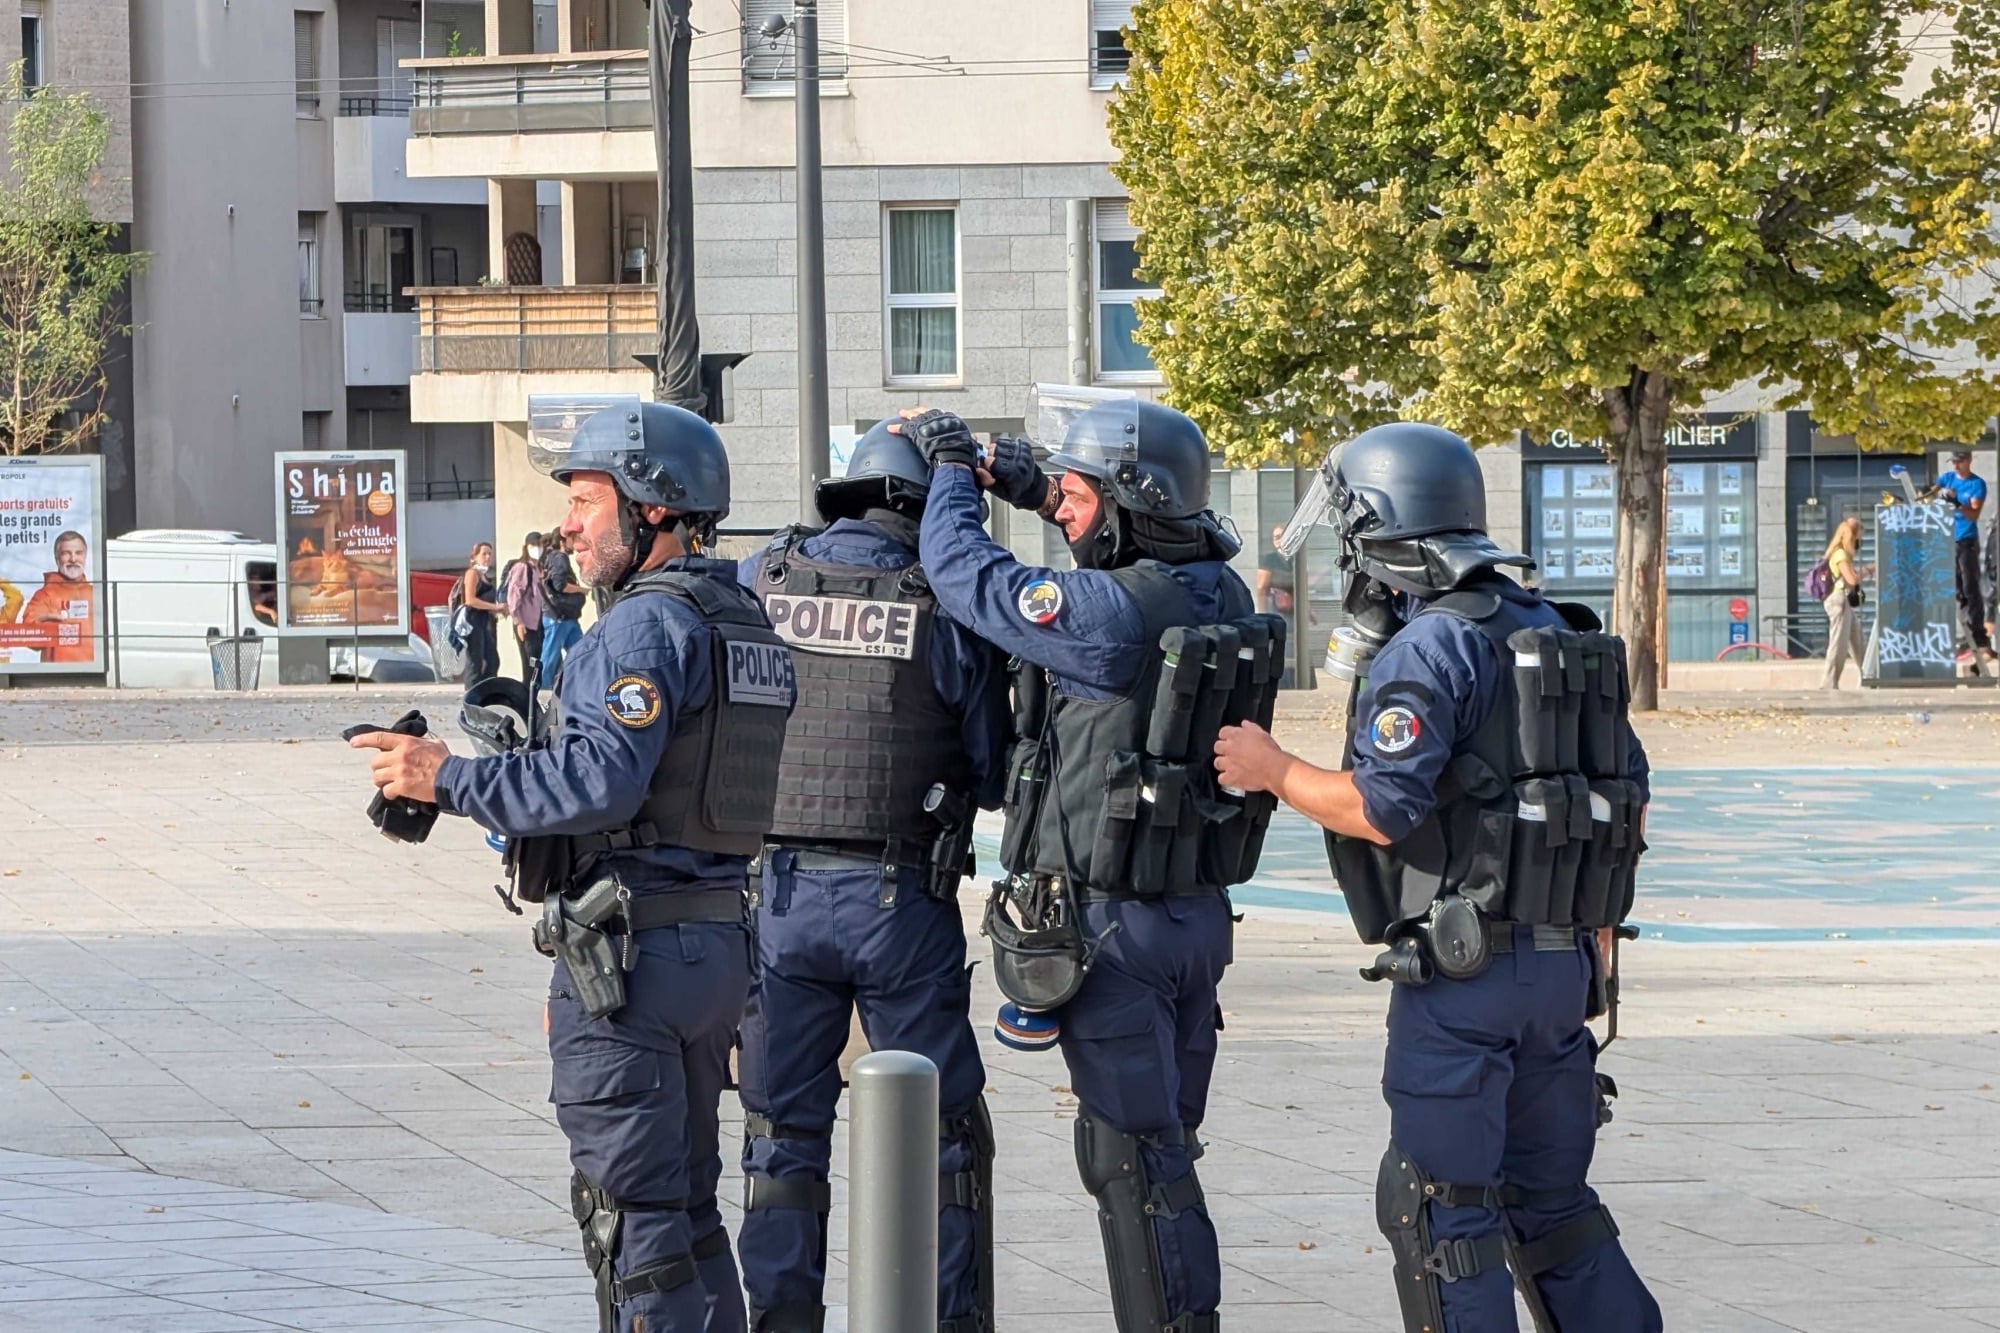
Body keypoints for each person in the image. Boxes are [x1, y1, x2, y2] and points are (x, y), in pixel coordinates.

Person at [349, 399, 795, 1333]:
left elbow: (601, 780)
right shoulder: (744, 620)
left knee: (634, 1234)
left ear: (655, 507)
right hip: (714, 942)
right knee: (688, 1218)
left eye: (589, 500)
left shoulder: (639, 630)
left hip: (630, 968)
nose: (569, 524)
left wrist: (447, 777)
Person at [1212, 423, 1662, 1333]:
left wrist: (1272, 767)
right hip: (1563, 968)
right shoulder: (1555, 627)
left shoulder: (1431, 647)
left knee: (1442, 1211)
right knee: (1556, 1209)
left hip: (1466, 980)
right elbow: (1627, 798)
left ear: (1382, 532)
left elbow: (1380, 807)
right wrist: (1591, 943)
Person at [905, 390, 1261, 1333]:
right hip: (1191, 917)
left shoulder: (1104, 614)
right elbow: (1093, 530)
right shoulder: (1216, 590)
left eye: (1075, 496)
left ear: (1131, 499)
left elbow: (965, 576)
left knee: (1131, 1161)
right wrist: (1024, 475)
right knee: (1165, 1151)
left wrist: (949, 473)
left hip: (1116, 930)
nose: (1062, 513)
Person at [734, 419, 1010, 1333]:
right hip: (901, 899)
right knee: (939, 1138)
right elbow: (990, 761)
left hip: (777, 897)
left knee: (781, 1138)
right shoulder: (940, 597)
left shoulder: (768, 580)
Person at [1931, 450, 1996, 669]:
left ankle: (1977, 631)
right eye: (1954, 462)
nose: (1956, 466)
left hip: (1966, 540)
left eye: (1960, 462)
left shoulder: (1977, 484)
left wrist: (1958, 503)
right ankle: (1966, 631)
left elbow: (1974, 514)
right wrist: (1927, 494)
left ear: (1968, 461)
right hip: (1947, 539)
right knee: (1957, 588)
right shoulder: (1948, 478)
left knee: (1970, 586)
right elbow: (1933, 491)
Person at [17, 530, 96, 663]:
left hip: (94, 677)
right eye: (66, 553)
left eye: (78, 553)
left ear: (85, 556)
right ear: (56, 558)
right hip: (57, 678)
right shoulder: (45, 595)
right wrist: (45, 625)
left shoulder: (95, 593)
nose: (73, 559)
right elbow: (28, 638)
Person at [1820, 516, 1870, 691]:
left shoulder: (1843, 554)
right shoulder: (1840, 554)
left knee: (1858, 641)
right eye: (1859, 538)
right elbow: (1851, 579)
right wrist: (1869, 570)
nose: (1860, 542)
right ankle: (1828, 683)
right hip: (1838, 601)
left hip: (1843, 601)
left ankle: (1870, 675)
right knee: (1838, 644)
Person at [542, 528, 588, 682]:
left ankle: (580, 683)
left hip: (568, 616)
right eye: (571, 539)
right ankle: (542, 689)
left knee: (580, 653)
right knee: (550, 657)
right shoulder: (559, 557)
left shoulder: (553, 558)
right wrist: (582, 590)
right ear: (562, 542)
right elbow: (560, 585)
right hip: (559, 615)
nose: (574, 543)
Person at [458, 541, 506, 685]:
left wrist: (499, 608)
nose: (487, 557)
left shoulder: (485, 575)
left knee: (492, 660)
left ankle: (485, 691)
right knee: (475, 662)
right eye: (484, 554)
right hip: (473, 621)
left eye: (490, 554)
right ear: (474, 556)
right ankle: (471, 695)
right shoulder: (472, 573)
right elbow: (470, 600)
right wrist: (495, 607)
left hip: (485, 621)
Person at [505, 531, 548, 685]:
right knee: (529, 662)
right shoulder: (522, 567)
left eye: (540, 545)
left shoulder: (538, 568)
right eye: (534, 545)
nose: (537, 548)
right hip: (525, 622)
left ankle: (533, 698)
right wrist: (518, 622)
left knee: (536, 661)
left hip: (538, 622)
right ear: (526, 547)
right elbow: (514, 596)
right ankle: (527, 698)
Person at [1255, 524, 1295, 615]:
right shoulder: (1269, 559)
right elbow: (1261, 589)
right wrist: (1262, 615)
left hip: (1294, 611)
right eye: (1275, 537)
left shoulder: (1294, 559)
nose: (1278, 540)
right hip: (1276, 610)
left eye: (1281, 536)